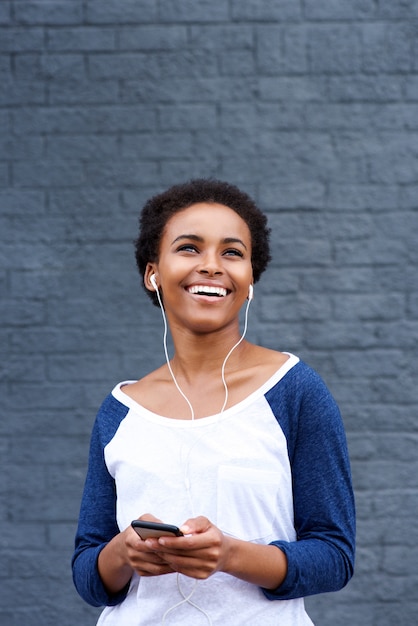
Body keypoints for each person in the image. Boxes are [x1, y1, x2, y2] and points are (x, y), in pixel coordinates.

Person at [72, 178, 355, 625]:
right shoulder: (122, 410)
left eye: (232, 252)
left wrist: (230, 554)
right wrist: (123, 552)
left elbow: (334, 557)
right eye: (188, 248)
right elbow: (89, 576)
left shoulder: (293, 390)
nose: (211, 266)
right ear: (153, 273)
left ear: (249, 280)